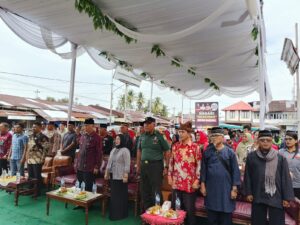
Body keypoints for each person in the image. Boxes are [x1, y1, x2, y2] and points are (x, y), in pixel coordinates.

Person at [243, 130, 294, 225]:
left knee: (277, 222)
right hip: (258, 194)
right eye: (262, 140)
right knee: (257, 221)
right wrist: (248, 192)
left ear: (271, 142)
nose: (265, 142)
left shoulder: (280, 158)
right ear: (258, 141)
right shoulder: (251, 157)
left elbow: (285, 178)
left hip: (276, 195)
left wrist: (286, 198)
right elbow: (248, 176)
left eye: (268, 140)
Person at [200, 127, 241, 225]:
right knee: (211, 218)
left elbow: (235, 171)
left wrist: (234, 189)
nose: (214, 138)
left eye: (216, 136)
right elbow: (203, 170)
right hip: (211, 188)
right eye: (212, 136)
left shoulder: (230, 152)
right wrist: (202, 185)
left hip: (226, 189)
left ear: (222, 138)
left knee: (225, 219)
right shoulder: (207, 152)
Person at [168, 121, 201, 225]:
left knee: (189, 210)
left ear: (188, 133)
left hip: (190, 184)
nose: (180, 134)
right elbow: (171, 162)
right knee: (175, 209)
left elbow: (199, 165)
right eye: (179, 132)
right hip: (176, 183)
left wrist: (197, 180)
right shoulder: (175, 146)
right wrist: (169, 175)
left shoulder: (195, 147)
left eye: (182, 132)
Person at [136, 117, 170, 210]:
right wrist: (138, 165)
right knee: (144, 190)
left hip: (156, 166)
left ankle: (157, 214)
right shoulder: (141, 136)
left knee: (156, 190)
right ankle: (147, 214)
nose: (145, 125)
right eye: (144, 123)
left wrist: (166, 166)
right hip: (144, 166)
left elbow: (167, 151)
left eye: (148, 123)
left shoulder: (160, 135)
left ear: (154, 125)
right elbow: (139, 151)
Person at [105, 134, 131, 220]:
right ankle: (114, 213)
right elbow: (109, 163)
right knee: (114, 196)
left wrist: (126, 175)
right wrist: (107, 173)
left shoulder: (125, 150)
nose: (116, 140)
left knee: (120, 196)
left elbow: (127, 164)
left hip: (121, 177)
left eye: (118, 139)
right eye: (116, 139)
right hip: (113, 175)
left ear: (122, 140)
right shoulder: (113, 150)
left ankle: (121, 214)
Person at [76, 118, 102, 192]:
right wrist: (77, 164)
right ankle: (79, 202)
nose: (85, 127)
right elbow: (80, 151)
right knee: (79, 186)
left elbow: (99, 153)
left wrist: (96, 166)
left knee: (87, 189)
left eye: (87, 125)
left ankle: (87, 203)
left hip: (89, 168)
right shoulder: (83, 136)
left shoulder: (97, 138)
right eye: (85, 125)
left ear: (92, 126)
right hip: (80, 167)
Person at [26, 122, 49, 193]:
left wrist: (43, 158)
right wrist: (27, 157)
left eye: (35, 127)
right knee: (30, 175)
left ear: (40, 128)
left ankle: (37, 191)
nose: (33, 128)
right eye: (33, 127)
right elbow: (28, 147)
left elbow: (46, 149)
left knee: (37, 176)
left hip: (38, 159)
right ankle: (30, 189)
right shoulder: (30, 136)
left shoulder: (43, 137)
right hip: (30, 159)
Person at [279, 131, 300, 199]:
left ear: (296, 140)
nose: (288, 141)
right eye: (286, 139)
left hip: (297, 185)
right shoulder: (280, 152)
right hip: (283, 185)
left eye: (290, 139)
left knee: (296, 206)